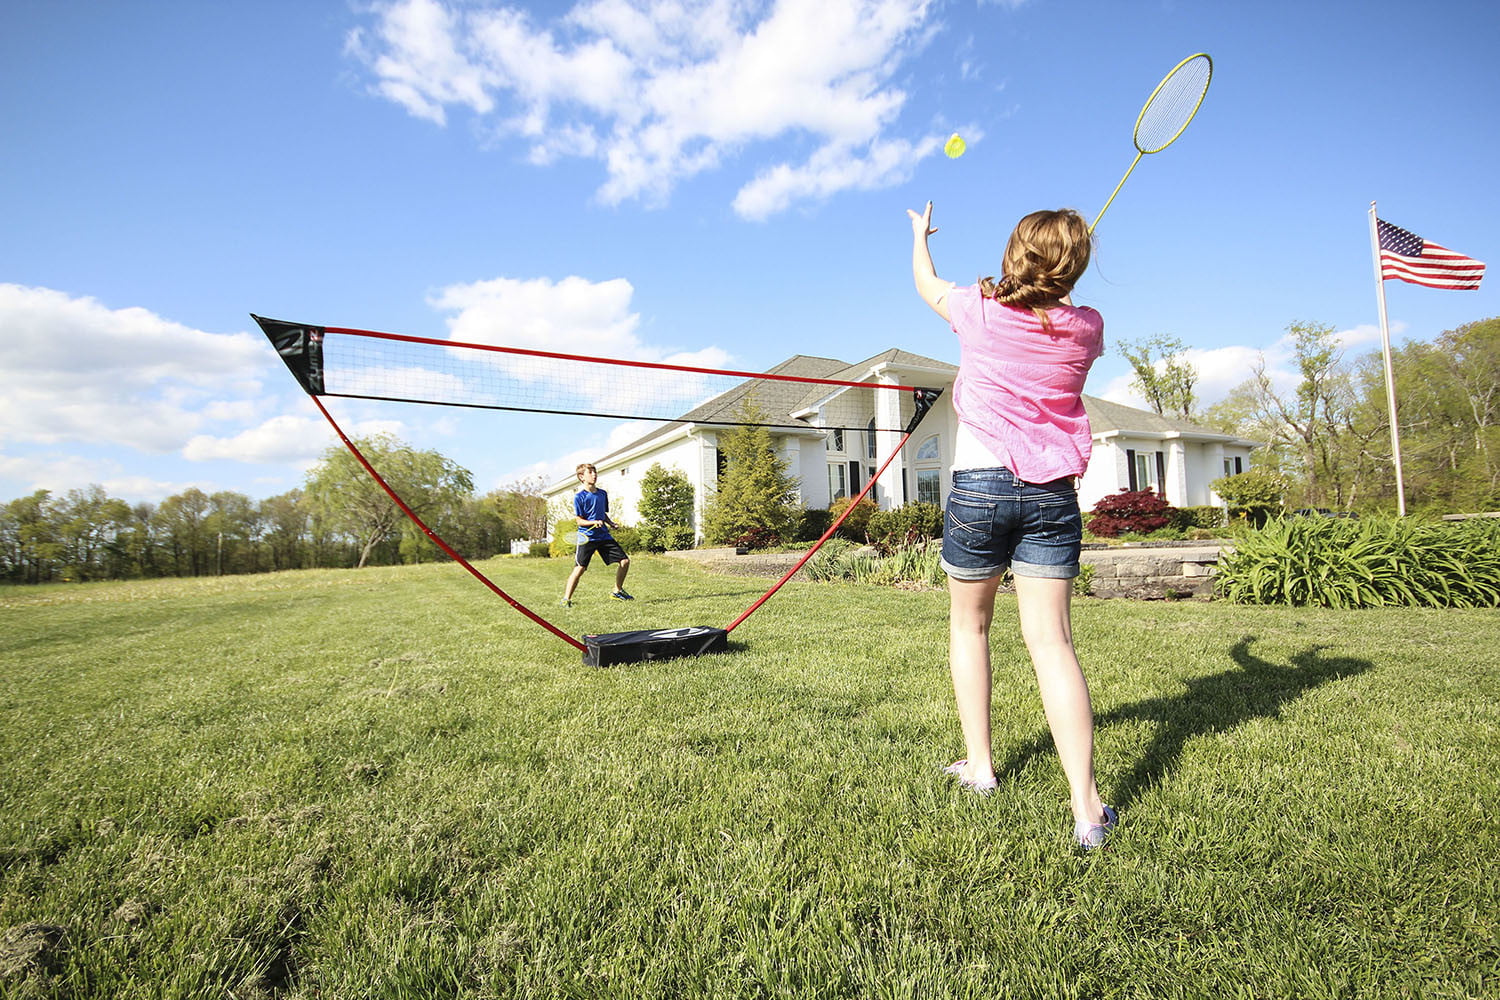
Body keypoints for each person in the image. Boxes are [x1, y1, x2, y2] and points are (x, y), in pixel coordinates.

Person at [905, 200, 1116, 850]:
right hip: (1052, 497)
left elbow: (924, 283)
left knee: (970, 627)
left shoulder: (978, 310)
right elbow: (1052, 314)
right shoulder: (1089, 328)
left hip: (981, 488)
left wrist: (920, 236)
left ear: (1014, 256)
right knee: (1052, 644)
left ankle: (982, 768)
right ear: (1075, 266)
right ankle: (1087, 808)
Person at [561, 462, 633, 606]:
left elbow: (603, 514)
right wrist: (593, 522)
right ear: (582, 477)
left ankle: (617, 591)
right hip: (587, 537)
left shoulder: (602, 494)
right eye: (590, 473)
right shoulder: (579, 497)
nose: (594, 475)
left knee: (625, 561)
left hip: (603, 536)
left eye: (595, 472)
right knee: (580, 568)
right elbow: (579, 521)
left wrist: (611, 523)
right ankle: (566, 599)